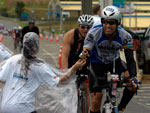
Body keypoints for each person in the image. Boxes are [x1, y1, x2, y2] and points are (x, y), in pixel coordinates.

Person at [0, 32, 86, 113]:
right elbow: (59, 81)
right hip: (24, 108)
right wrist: (74, 68)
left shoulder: (13, 60)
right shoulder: (39, 66)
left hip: (5, 106)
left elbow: (2, 79)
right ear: (37, 46)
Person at [81, 6, 138, 113]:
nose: (107, 26)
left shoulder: (125, 36)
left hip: (114, 61)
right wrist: (83, 59)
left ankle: (121, 108)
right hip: (97, 62)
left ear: (118, 23)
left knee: (132, 85)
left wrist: (133, 76)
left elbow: (130, 59)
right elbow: (86, 52)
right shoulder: (93, 32)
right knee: (95, 102)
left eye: (111, 23)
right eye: (105, 22)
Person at [61, 14, 94, 112]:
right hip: (72, 61)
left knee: (86, 88)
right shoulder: (70, 35)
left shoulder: (94, 36)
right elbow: (64, 55)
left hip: (86, 62)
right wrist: (66, 72)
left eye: (88, 27)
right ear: (78, 26)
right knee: (70, 89)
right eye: (82, 27)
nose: (85, 30)